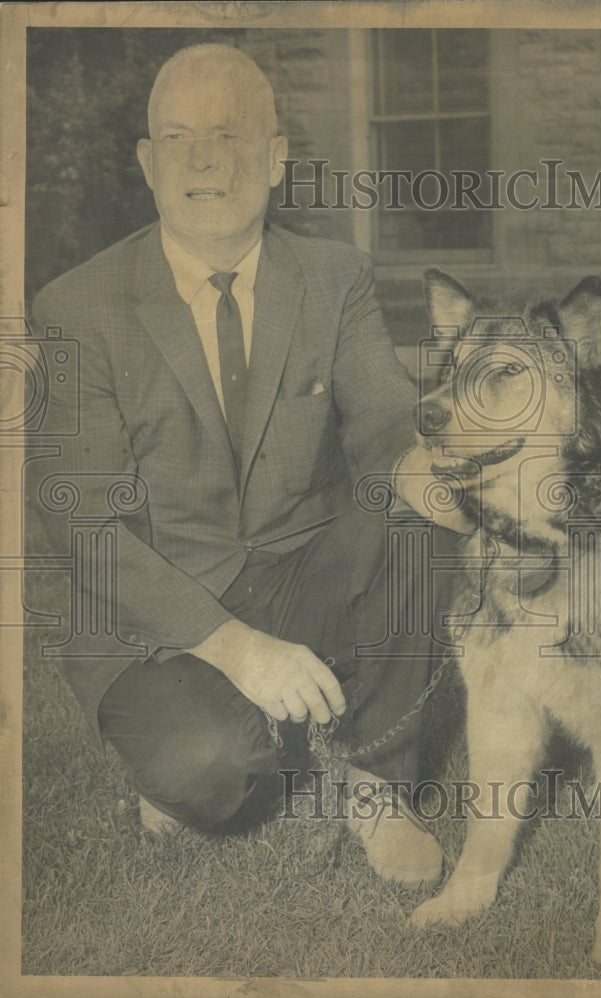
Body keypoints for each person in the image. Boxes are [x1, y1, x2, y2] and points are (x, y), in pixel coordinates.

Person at [32, 43, 464, 889]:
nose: (202, 159)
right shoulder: (77, 305)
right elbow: (82, 523)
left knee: (417, 522)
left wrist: (453, 490)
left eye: (227, 135)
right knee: (217, 773)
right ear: (149, 164)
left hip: (295, 566)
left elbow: (384, 431)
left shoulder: (333, 276)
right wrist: (236, 649)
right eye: (179, 137)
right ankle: (202, 749)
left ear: (275, 160)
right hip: (148, 619)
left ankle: (376, 780)